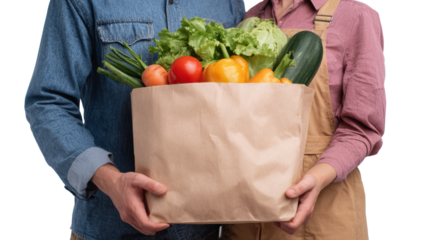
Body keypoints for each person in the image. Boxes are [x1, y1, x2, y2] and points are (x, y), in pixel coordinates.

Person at [23, 0, 245, 239]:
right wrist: (111, 181)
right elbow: (48, 100)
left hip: (207, 231)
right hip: (110, 229)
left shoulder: (228, 3)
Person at [220, 0, 386, 239]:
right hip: (246, 211)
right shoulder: (252, 14)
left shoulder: (355, 14)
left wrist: (316, 179)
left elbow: (363, 128)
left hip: (322, 208)